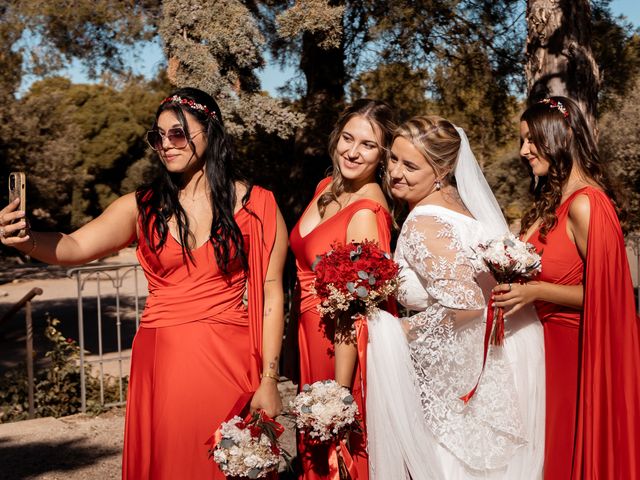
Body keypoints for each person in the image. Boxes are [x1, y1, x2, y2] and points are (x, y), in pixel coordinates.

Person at [0, 87, 289, 480]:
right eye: (158, 136)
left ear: (212, 132)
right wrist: (26, 239)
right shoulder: (142, 206)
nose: (166, 145)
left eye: (178, 134)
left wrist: (269, 379)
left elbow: (272, 296)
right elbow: (74, 246)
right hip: (162, 364)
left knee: (225, 467)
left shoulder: (258, 205)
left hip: (230, 364)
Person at [366, 116, 545, 479]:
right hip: (501, 352)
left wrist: (399, 331)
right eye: (394, 160)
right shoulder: (461, 210)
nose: (395, 173)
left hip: (469, 374)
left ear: (444, 168)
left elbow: (465, 306)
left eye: (410, 165)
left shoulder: (424, 223)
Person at [493, 96, 640, 479]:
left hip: (578, 355)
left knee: (569, 451)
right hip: (545, 351)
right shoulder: (555, 203)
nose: (523, 151)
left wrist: (537, 292)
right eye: (522, 140)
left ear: (562, 135)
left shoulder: (588, 204)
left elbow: (611, 296)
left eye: (531, 139)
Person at [288, 99, 396, 479]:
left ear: (382, 156)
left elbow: (357, 310)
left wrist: (341, 391)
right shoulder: (326, 188)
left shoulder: (366, 211)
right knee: (314, 452)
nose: (352, 151)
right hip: (310, 334)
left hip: (339, 343)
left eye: (367, 145)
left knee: (340, 450)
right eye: (347, 138)